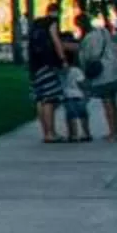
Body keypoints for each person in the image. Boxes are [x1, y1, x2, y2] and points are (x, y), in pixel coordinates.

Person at [79, 4, 117, 143]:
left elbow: (88, 57)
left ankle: (113, 133)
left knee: (107, 103)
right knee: (114, 102)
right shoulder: (103, 32)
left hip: (103, 74)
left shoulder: (88, 38)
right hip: (114, 70)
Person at [26, 9, 69, 142]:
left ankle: (46, 132)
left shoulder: (36, 24)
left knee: (40, 98)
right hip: (47, 64)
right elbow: (56, 41)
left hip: (35, 65)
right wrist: (63, 59)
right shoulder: (52, 22)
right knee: (49, 99)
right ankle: (51, 133)